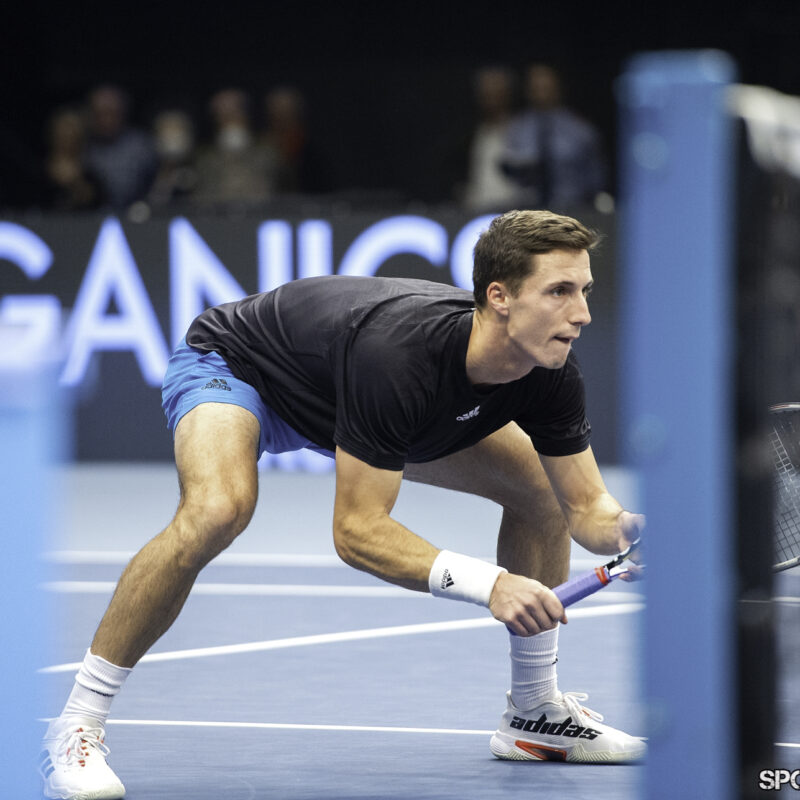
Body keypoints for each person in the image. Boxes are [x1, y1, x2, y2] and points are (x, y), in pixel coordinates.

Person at [40, 209, 646, 799]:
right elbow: (357, 532)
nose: (582, 313)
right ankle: (77, 724)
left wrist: (628, 530)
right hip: (241, 368)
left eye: (585, 291)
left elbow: (585, 508)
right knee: (217, 510)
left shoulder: (550, 370)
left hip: (352, 402)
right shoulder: (399, 355)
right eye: (560, 291)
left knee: (541, 492)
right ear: (500, 297)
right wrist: (492, 584)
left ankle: (534, 711)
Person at [501, 64, 607, 210]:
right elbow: (508, 169)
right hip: (527, 211)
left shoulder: (580, 130)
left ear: (558, 88)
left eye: (546, 87)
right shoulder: (517, 128)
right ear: (528, 91)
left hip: (573, 210)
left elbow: (596, 180)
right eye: (536, 87)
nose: (541, 93)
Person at [83, 85, 158, 211]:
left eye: (112, 113)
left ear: (123, 113)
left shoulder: (141, 146)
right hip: (89, 216)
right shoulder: (81, 145)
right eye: (100, 114)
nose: (106, 120)